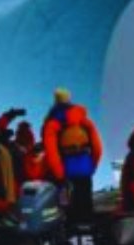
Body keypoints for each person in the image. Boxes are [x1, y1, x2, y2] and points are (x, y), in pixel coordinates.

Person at [41, 88, 103, 223]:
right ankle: (87, 235)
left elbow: (51, 152)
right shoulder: (85, 121)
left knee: (66, 209)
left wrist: (59, 175)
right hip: (85, 171)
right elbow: (98, 148)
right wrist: (91, 167)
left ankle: (69, 238)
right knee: (86, 206)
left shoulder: (52, 122)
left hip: (65, 173)